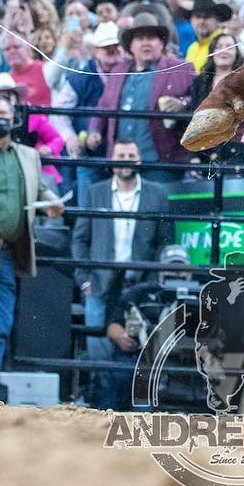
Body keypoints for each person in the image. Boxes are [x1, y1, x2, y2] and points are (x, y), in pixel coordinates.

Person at [70, 140, 170, 408]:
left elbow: (164, 241)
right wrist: (85, 279)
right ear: (113, 160)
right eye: (120, 155)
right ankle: (101, 411)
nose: (126, 159)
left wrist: (154, 281)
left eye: (131, 154)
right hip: (101, 282)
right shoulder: (95, 192)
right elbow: (80, 239)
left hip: (139, 284)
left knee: (139, 347)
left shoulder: (157, 194)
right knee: (99, 352)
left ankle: (136, 411)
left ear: (138, 160)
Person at [0, 90, 64, 403]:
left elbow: (41, 190)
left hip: (5, 253)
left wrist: (52, 205)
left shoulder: (28, 156)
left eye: (3, 114)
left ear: (13, 119)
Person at [86, 14, 197, 176]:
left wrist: (184, 104)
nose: (146, 42)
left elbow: (202, 99)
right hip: (121, 162)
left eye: (151, 37)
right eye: (139, 38)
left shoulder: (182, 68)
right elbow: (103, 107)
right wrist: (94, 131)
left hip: (160, 161)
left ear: (162, 43)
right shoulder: (118, 71)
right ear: (130, 46)